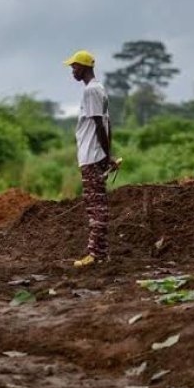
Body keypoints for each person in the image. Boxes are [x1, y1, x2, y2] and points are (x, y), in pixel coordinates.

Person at [63, 50, 119, 268]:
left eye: (75, 67)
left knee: (96, 207)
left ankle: (96, 255)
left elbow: (99, 126)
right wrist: (109, 154)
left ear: (85, 67)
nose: (73, 71)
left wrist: (105, 155)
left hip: (91, 157)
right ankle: (100, 253)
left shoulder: (91, 91)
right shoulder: (99, 90)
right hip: (95, 156)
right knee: (97, 205)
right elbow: (108, 125)